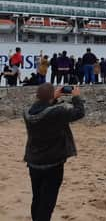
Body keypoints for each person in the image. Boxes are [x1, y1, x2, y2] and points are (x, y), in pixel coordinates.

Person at [23, 83, 84, 221]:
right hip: (53, 163)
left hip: (34, 162)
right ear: (51, 96)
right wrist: (76, 97)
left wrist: (51, 98)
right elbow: (79, 112)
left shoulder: (27, 112)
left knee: (37, 198)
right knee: (48, 202)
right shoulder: (58, 112)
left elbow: (40, 109)